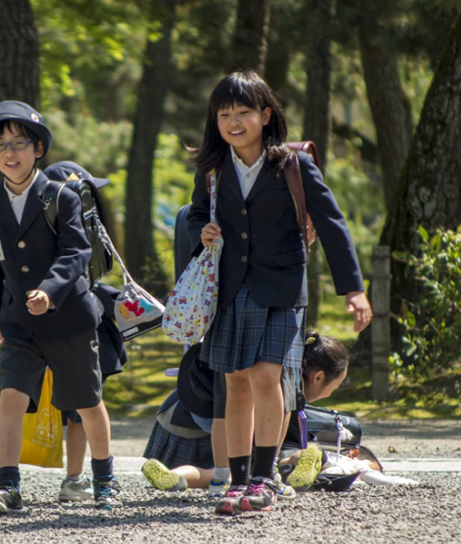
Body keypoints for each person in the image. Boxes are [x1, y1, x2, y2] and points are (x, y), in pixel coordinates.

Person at [185, 70, 372, 514]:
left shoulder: (293, 165)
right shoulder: (213, 170)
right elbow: (195, 216)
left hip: (283, 289)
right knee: (234, 384)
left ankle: (264, 478)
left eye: (244, 112)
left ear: (266, 115)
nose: (233, 121)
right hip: (230, 291)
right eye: (224, 113)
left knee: (267, 378)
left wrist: (354, 289)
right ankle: (237, 480)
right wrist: (204, 231)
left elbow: (332, 223)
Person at [0, 101, 121, 513]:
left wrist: (50, 291)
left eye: (19, 142)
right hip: (19, 323)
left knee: (87, 401)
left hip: (69, 316)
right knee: (11, 399)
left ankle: (105, 480)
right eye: (0, 145)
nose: (9, 152)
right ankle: (9, 485)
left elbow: (76, 252)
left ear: (38, 149)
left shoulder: (62, 197)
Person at [142, 330, 350, 502]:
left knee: (222, 474)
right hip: (212, 434)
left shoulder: (247, 353)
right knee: (258, 465)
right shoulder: (282, 390)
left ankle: (176, 474)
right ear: (318, 377)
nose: (332, 393)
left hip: (174, 420)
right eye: (336, 387)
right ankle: (303, 460)